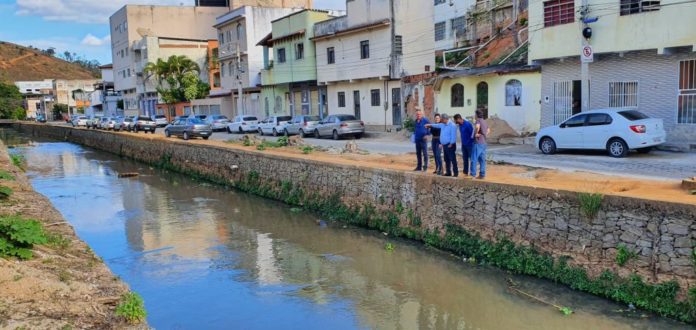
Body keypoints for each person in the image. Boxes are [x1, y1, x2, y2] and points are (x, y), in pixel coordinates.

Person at [470, 109, 490, 179]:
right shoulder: (484, 121)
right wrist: (483, 135)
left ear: (477, 115)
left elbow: (477, 127)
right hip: (484, 142)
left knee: (473, 159)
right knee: (482, 160)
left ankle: (473, 174)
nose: (474, 115)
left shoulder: (478, 121)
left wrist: (476, 134)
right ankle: (482, 175)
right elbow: (488, 130)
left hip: (477, 142)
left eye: (475, 114)